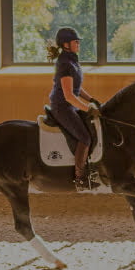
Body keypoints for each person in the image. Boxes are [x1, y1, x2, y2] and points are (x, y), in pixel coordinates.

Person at [45, 27, 100, 190]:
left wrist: (91, 99)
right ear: (66, 44)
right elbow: (69, 95)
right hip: (63, 107)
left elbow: (77, 87)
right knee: (85, 138)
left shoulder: (72, 60)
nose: (78, 44)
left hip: (71, 105)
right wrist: (87, 108)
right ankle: (80, 178)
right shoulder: (64, 63)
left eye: (78, 42)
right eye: (76, 42)